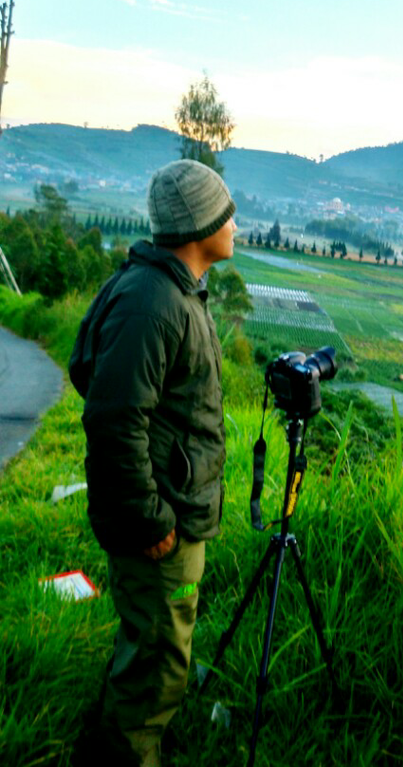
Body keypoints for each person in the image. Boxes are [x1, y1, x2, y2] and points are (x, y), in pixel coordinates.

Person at [69, 159, 237, 766]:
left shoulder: (169, 290)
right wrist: (151, 521)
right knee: (157, 669)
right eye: (225, 211)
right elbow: (113, 420)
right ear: (199, 225)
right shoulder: (154, 302)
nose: (235, 221)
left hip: (171, 506)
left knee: (153, 650)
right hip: (158, 520)